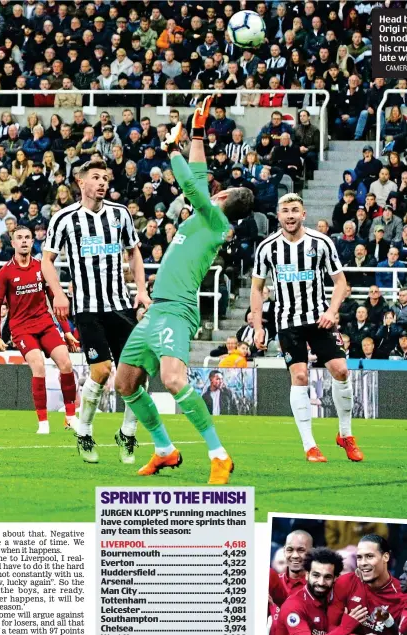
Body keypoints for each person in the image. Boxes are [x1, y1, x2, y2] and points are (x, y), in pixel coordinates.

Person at [114, 97, 254, 485]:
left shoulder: (213, 219)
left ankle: (219, 454)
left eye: (217, 189)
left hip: (176, 309)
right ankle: (164, 450)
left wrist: (170, 150)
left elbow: (192, 182)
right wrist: (196, 130)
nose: (212, 187)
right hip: (157, 309)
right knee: (124, 383)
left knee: (174, 379)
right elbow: (198, 169)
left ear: (222, 198)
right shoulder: (209, 217)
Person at [42, 159, 150, 463]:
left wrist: (141, 290)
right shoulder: (64, 219)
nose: (102, 183)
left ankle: (128, 433)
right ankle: (85, 431)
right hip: (88, 308)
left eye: (106, 178)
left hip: (120, 306)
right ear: (81, 181)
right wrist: (59, 293)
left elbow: (134, 252)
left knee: (138, 372)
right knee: (101, 372)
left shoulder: (120, 214)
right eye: (96, 177)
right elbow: (46, 261)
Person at [251, 194, 364, 463]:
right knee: (299, 376)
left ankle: (345, 435)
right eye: (285, 211)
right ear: (278, 216)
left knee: (341, 370)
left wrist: (331, 311)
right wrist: (258, 327)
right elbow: (256, 289)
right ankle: (310, 445)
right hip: (287, 322)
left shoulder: (321, 243)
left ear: (303, 214)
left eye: (295, 210)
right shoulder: (267, 248)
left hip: (318, 319)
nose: (290, 215)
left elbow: (340, 283)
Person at [0, 226, 79, 434]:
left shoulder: (42, 267)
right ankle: (43, 423)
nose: (23, 241)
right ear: (12, 243)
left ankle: (70, 417)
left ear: (32, 242)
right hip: (22, 329)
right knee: (38, 367)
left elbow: (54, 299)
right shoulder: (5, 272)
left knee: (66, 363)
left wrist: (66, 330)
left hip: (46, 324)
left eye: (27, 238)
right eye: (19, 238)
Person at [265, 548, 369, 635]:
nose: (320, 582)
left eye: (327, 577)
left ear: (335, 579)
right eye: (316, 575)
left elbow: (329, 632)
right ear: (307, 575)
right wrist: (346, 627)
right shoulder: (295, 605)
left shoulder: (330, 603)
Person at [321, 534, 407, 635]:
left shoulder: (402, 596)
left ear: (386, 557)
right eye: (360, 557)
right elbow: (327, 627)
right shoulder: (345, 583)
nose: (363, 563)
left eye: (369, 556)